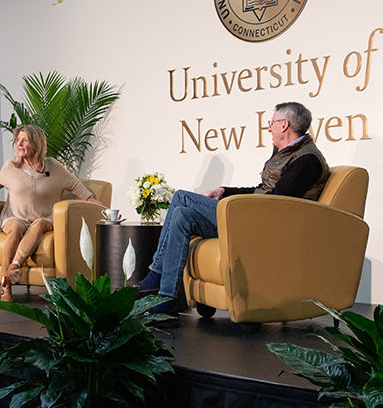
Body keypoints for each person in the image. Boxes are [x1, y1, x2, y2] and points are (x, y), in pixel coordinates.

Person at [136, 102, 330, 315]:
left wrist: (236, 206)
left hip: (261, 223)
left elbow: (276, 204)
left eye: (271, 123)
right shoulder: (287, 153)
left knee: (182, 197)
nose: (268, 128)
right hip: (253, 216)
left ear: (284, 125)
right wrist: (224, 191)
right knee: (183, 215)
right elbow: (261, 191)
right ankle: (166, 298)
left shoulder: (307, 159)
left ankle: (154, 276)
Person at [0, 124, 103, 302]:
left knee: (39, 224)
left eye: (24, 140)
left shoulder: (53, 167)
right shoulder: (11, 167)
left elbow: (74, 183)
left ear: (36, 143)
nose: (19, 144)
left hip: (45, 218)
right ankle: (6, 284)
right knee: (16, 228)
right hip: (14, 216)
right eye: (18, 140)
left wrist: (90, 200)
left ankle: (12, 268)